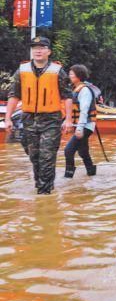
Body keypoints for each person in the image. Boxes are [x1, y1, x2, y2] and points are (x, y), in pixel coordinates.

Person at [5, 37, 73, 194]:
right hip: (28, 119)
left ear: (49, 51)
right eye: (35, 47)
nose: (38, 50)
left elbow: (67, 96)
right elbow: (14, 95)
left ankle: (44, 196)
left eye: (42, 47)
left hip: (51, 120)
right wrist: (8, 118)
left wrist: (68, 119)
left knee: (46, 158)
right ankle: (42, 186)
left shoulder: (57, 71)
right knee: (34, 157)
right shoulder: (22, 70)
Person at [64, 64, 99, 178]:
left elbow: (84, 111)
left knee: (68, 150)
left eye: (71, 74)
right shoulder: (75, 89)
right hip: (81, 125)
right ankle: (92, 173)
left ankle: (68, 177)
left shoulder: (84, 90)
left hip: (86, 126)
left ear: (78, 76)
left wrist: (79, 128)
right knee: (83, 152)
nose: (69, 76)